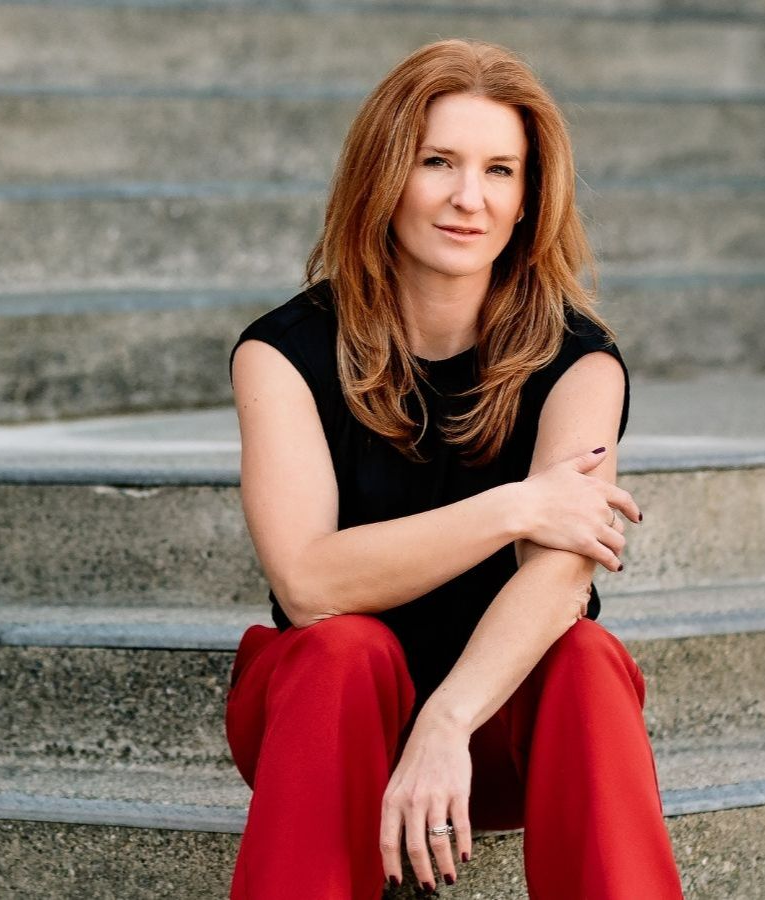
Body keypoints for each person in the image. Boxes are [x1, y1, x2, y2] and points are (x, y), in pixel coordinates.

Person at [224, 38, 684, 899]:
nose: (469, 198)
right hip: (326, 734)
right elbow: (309, 585)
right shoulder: (283, 353)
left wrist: (447, 719)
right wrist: (515, 506)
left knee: (585, 660)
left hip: (492, 735)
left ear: (528, 199)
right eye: (437, 161)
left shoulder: (579, 363)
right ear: (384, 174)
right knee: (342, 648)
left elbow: (559, 579)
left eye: (499, 171)